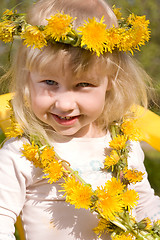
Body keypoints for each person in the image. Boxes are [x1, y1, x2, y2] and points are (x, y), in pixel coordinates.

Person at [0, 0, 160, 239]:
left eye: (83, 84)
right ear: (27, 80)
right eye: (50, 83)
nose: (64, 104)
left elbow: (143, 205)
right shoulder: (21, 152)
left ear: (111, 80)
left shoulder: (122, 144)